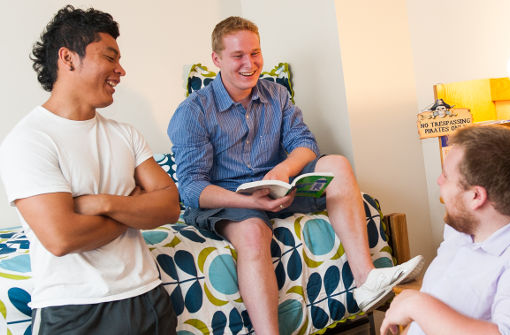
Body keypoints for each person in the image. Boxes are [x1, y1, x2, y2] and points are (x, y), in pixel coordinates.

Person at [167, 16, 423, 335]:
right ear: (216, 60)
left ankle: (365, 280)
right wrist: (252, 203)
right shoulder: (193, 111)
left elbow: (304, 144)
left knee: (338, 165)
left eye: (255, 53)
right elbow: (191, 188)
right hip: (227, 198)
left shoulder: (276, 94)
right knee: (252, 235)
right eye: (238, 56)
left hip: (278, 187)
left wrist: (283, 170)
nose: (250, 63)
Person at [0, 6, 179, 334]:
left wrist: (104, 203)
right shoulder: (28, 141)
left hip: (147, 298)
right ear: (68, 58)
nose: (120, 70)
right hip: (74, 310)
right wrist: (134, 204)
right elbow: (62, 237)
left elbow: (169, 206)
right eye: (110, 57)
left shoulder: (126, 134)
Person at [380, 125, 510, 335]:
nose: (439, 181)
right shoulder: (464, 227)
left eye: (445, 175)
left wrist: (417, 306)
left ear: (476, 196)